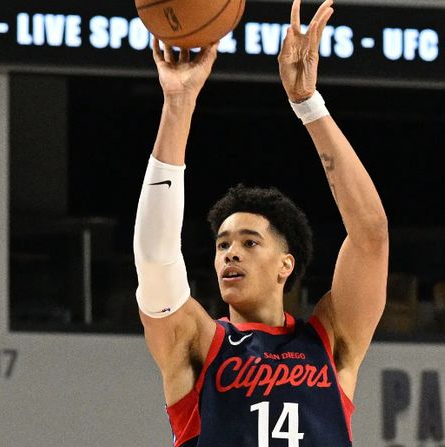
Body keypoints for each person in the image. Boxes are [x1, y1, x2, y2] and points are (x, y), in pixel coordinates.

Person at [133, 0, 388, 444]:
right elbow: (155, 259)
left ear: (286, 264)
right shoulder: (196, 342)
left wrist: (308, 104)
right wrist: (178, 104)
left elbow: (371, 235)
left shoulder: (330, 342)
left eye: (249, 242)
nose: (230, 253)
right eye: (222, 244)